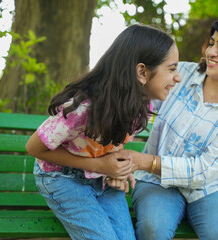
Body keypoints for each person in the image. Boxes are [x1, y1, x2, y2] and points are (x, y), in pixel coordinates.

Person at [108, 14, 218, 239]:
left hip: (214, 188)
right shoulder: (181, 74)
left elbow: (205, 171)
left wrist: (143, 161)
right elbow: (133, 106)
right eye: (212, 43)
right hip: (156, 181)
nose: (211, 52)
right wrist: (115, 154)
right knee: (152, 229)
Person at [25, 24, 181, 240]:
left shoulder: (142, 107)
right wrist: (99, 166)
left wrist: (118, 171)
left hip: (101, 178)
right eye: (172, 69)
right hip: (61, 177)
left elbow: (110, 145)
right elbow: (33, 148)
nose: (178, 77)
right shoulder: (82, 107)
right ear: (142, 72)